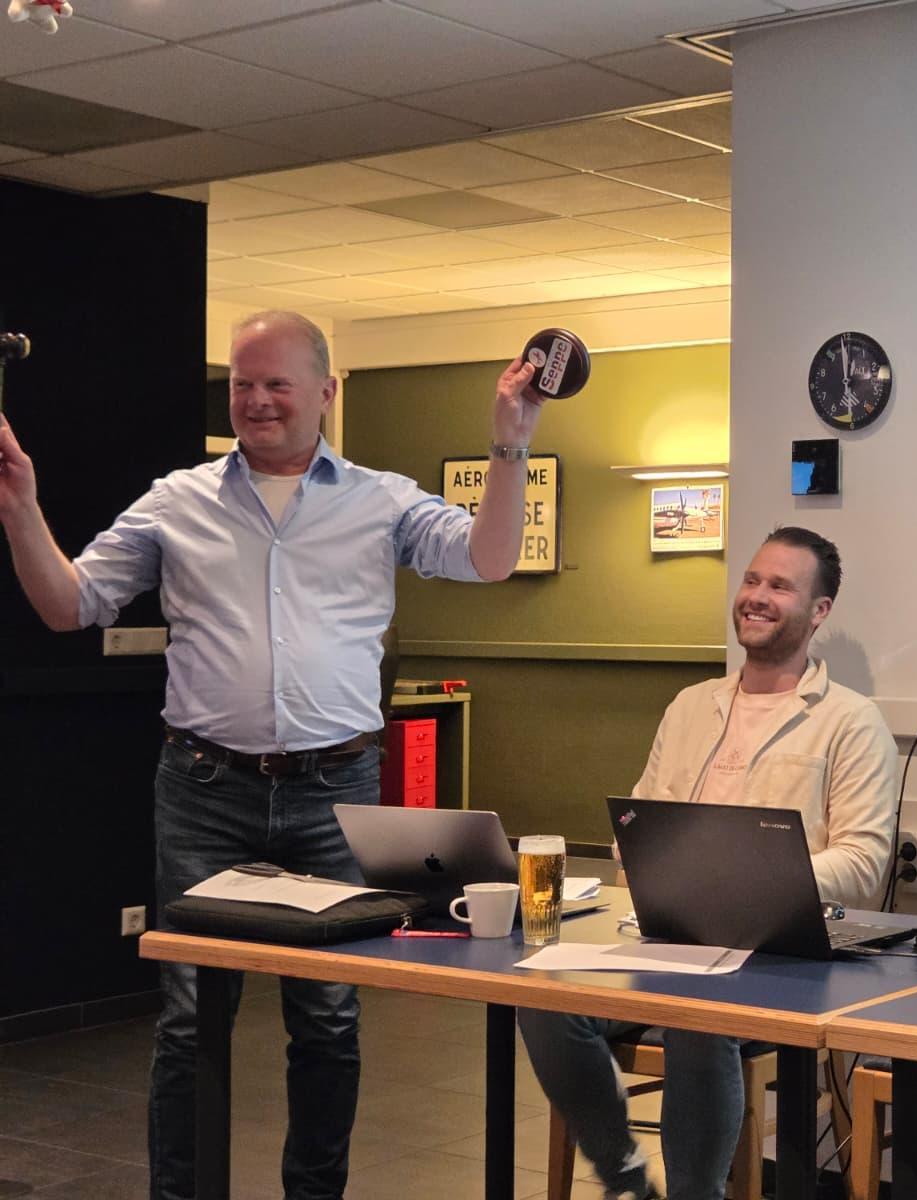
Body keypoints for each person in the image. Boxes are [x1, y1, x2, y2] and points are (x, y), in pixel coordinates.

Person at [0, 310, 546, 1200]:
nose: (255, 400)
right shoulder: (177, 500)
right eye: (242, 384)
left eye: (276, 384)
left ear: (325, 391)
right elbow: (71, 604)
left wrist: (509, 443)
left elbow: (487, 560)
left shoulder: (380, 499)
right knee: (190, 1019)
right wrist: (21, 507)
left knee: (327, 1019)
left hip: (336, 793)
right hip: (204, 790)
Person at [520, 526, 897, 1200]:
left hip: (777, 954)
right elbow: (634, 826)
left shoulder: (851, 720)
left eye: (779, 586)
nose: (756, 596)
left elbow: (864, 862)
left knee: (697, 1018)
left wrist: (753, 881)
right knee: (543, 999)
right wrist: (649, 860)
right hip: (665, 940)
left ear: (819, 611)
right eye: (752, 580)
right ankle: (627, 1181)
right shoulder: (691, 705)